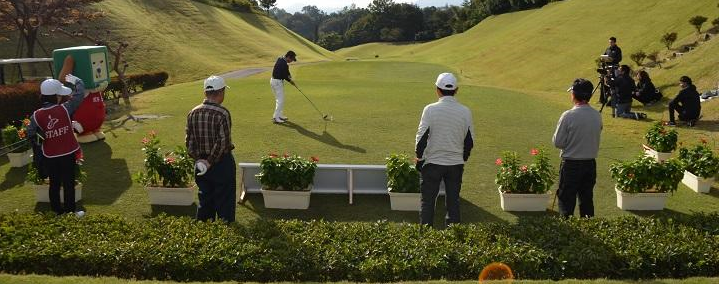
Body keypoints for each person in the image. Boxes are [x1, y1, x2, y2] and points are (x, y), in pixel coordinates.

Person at [415, 72, 474, 227]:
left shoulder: (429, 109)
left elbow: (421, 138)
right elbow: (469, 141)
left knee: (427, 202)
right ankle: (453, 238)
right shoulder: (465, 111)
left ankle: (426, 236)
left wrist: (419, 159)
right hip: (455, 164)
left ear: (437, 89)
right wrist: (463, 158)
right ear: (456, 90)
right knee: (453, 201)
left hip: (432, 163)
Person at [27, 73, 85, 216]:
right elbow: (80, 93)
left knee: (54, 183)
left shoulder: (36, 115)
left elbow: (31, 135)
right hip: (67, 152)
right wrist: (76, 80)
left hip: (50, 155)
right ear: (56, 96)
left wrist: (42, 137)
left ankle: (57, 212)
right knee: (68, 183)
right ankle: (70, 211)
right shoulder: (65, 108)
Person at [186, 75, 236, 222]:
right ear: (221, 92)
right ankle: (224, 234)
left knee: (205, 200)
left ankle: (205, 234)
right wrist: (210, 161)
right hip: (221, 163)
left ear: (205, 93)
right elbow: (223, 142)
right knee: (224, 203)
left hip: (200, 165)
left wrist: (200, 160)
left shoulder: (192, 112)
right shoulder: (222, 113)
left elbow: (189, 142)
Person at [553, 78, 602, 218]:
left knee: (566, 201)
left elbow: (558, 143)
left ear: (574, 94)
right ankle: (589, 226)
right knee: (586, 200)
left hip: (571, 164)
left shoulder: (568, 116)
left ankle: (569, 232)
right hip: (590, 164)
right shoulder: (597, 115)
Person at [270, 51, 297, 124]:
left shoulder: (281, 59)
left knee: (279, 100)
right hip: (277, 83)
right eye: (291, 59)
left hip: (273, 81)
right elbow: (285, 76)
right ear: (288, 57)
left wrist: (289, 76)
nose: (291, 61)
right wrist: (291, 82)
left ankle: (279, 115)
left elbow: (286, 71)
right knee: (280, 100)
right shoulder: (284, 64)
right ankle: (275, 117)